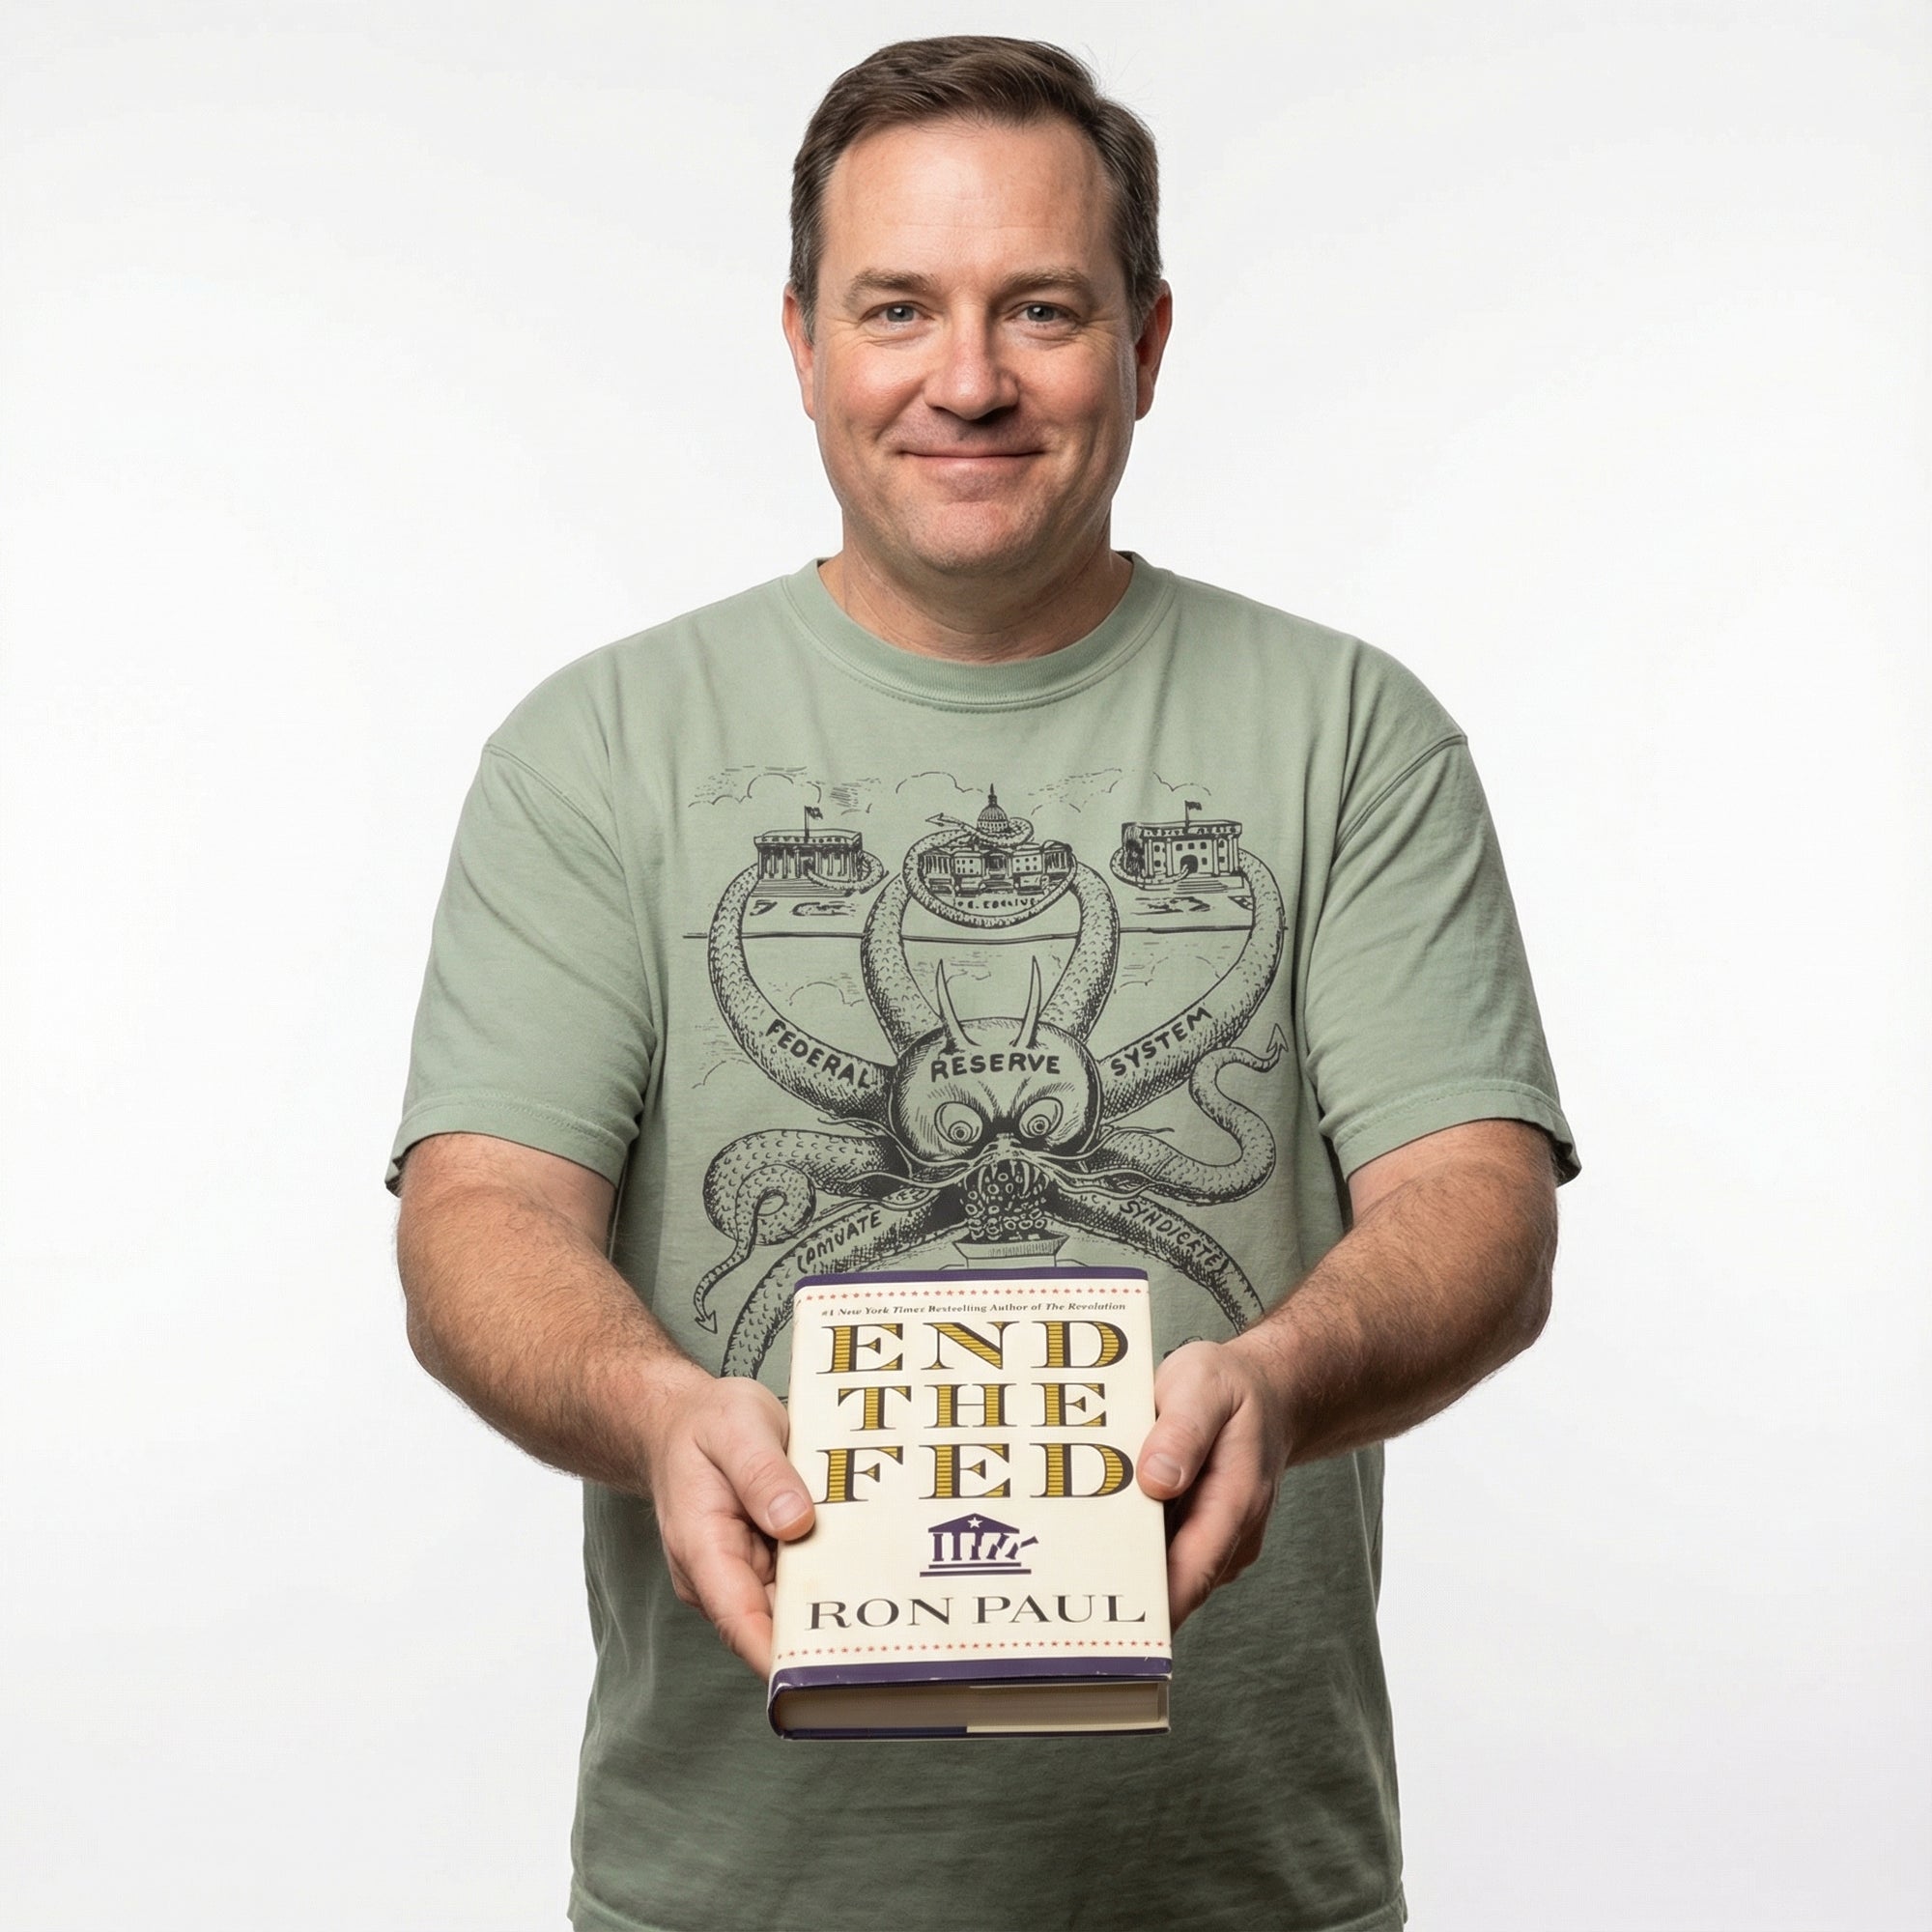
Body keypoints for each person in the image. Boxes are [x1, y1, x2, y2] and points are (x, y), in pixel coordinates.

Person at [389, 34, 1577, 1932]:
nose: (968, 379)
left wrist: (1277, 1375)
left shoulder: (1351, 737)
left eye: (1040, 307)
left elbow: (1478, 1209)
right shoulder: (594, 751)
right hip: (730, 1890)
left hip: (1241, 1890)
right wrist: (650, 1405)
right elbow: (478, 1214)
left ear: (1146, 343)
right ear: (798, 344)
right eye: (896, 309)